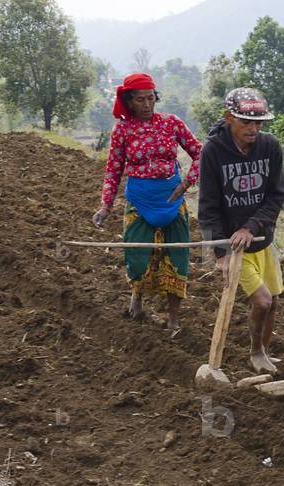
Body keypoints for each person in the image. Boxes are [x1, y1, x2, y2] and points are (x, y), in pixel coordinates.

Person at [92, 72, 202, 334]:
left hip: (172, 201)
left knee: (178, 256)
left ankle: (173, 318)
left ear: (156, 98)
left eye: (150, 98)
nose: (146, 105)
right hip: (139, 202)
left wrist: (186, 183)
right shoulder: (122, 130)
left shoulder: (172, 123)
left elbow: (201, 154)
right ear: (129, 102)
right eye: (140, 100)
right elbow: (114, 169)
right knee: (138, 256)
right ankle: (137, 299)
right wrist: (105, 205)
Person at [198, 87, 284, 373]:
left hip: (262, 239)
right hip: (235, 247)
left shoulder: (270, 147)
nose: (253, 128)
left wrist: (251, 226)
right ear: (228, 118)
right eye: (246, 122)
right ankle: (256, 351)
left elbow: (276, 196)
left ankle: (265, 353)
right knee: (261, 301)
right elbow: (208, 207)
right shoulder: (213, 151)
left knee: (272, 302)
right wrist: (220, 253)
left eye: (258, 122)